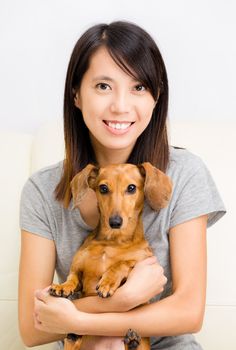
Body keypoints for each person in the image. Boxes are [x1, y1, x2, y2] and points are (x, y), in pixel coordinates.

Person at [18, 21, 226, 350]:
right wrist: (122, 299)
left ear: (156, 98)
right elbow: (32, 328)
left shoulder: (185, 174)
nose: (120, 105)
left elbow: (188, 312)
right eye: (103, 86)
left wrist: (76, 317)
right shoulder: (42, 191)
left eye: (138, 87)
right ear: (75, 93)